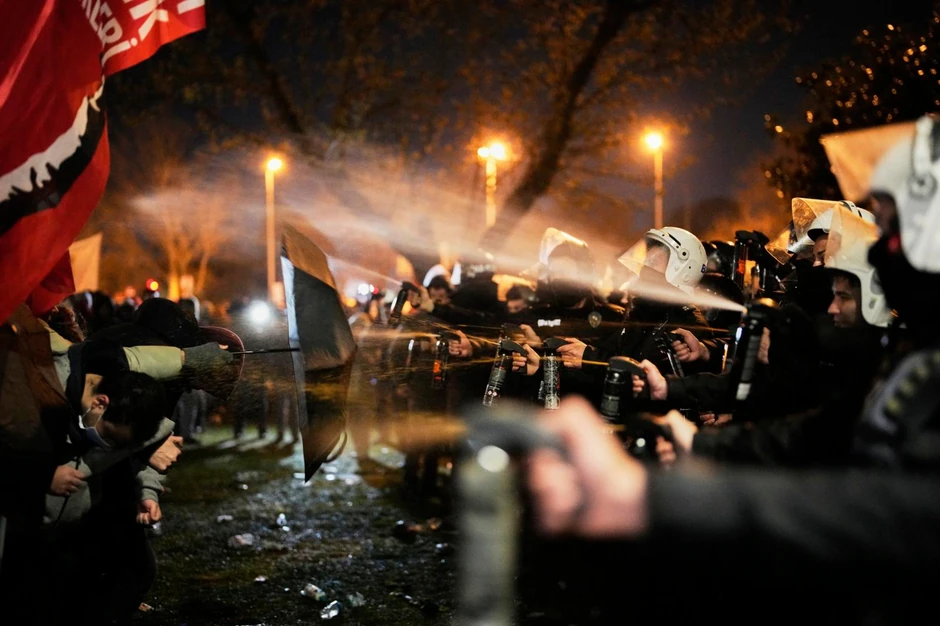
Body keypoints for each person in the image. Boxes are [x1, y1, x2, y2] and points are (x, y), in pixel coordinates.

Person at [526, 115, 940, 623]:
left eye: (895, 228)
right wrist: (696, 438)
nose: (881, 247)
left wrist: (677, 498)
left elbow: (902, 513)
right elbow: (822, 433)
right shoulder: (915, 354)